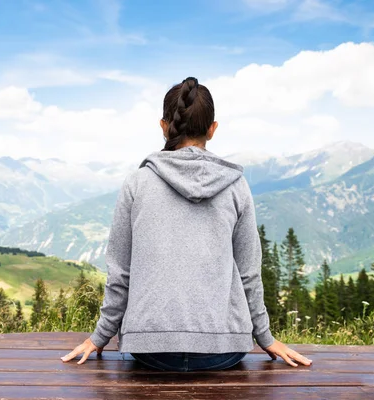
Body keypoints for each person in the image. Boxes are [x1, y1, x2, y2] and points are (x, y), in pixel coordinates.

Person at [61, 77, 313, 372]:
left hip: (151, 352)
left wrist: (99, 337)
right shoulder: (236, 186)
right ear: (213, 129)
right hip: (223, 352)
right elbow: (248, 273)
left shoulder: (137, 183)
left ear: (163, 126)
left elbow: (120, 273)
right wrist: (266, 338)